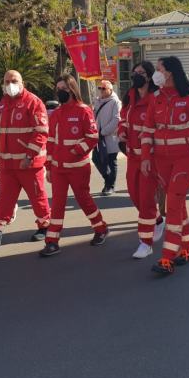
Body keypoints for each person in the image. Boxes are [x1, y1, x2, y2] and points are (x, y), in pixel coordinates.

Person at [141, 56, 189, 275]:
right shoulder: (155, 97)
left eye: (159, 68)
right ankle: (187, 248)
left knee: (172, 203)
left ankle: (167, 258)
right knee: (178, 205)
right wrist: (145, 157)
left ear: (170, 72)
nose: (156, 72)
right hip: (162, 160)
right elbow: (148, 130)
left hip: (185, 159)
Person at [0, 70, 51, 248]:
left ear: (22, 82)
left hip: (29, 164)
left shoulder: (33, 102)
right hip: (8, 164)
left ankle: (46, 226)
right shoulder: (4, 103)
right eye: (6, 81)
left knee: (37, 198)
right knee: (5, 199)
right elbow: (0, 132)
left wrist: (30, 155)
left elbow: (41, 132)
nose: (10, 84)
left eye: (14, 81)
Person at [40, 75, 109, 257]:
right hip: (59, 169)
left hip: (78, 167)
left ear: (71, 89)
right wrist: (48, 166)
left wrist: (77, 150)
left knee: (84, 200)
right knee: (57, 204)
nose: (60, 91)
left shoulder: (84, 110)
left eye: (63, 88)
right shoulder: (57, 113)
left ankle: (100, 228)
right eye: (58, 88)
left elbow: (92, 137)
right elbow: (51, 142)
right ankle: (52, 241)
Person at [119, 61, 165, 260]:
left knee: (146, 200)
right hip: (132, 157)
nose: (136, 75)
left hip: (150, 158)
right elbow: (123, 119)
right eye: (134, 72)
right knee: (135, 196)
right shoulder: (129, 97)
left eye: (141, 72)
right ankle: (157, 220)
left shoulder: (157, 99)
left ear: (149, 76)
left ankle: (145, 243)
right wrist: (122, 133)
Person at [92, 80, 121, 196]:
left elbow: (116, 119)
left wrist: (104, 131)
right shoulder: (97, 101)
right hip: (98, 137)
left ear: (110, 90)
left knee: (111, 161)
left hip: (110, 136)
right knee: (96, 159)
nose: (101, 91)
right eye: (100, 88)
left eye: (104, 88)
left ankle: (110, 186)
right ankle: (107, 180)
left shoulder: (115, 102)